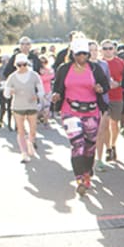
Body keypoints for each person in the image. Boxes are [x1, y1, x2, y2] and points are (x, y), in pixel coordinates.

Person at [52, 37, 110, 195]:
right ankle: (80, 179)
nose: (82, 57)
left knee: (90, 146)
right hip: (70, 111)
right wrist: (56, 95)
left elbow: (105, 85)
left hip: (91, 111)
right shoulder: (64, 69)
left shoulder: (95, 68)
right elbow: (57, 87)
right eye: (78, 54)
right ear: (72, 53)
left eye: (84, 53)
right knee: (77, 144)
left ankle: (87, 172)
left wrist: (100, 89)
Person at [3, 53, 44, 163]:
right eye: (19, 65)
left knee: (33, 130)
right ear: (15, 65)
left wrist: (37, 96)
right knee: (21, 131)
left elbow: (41, 91)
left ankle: (30, 143)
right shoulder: (12, 77)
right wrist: (10, 92)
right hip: (18, 106)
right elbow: (6, 94)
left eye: (24, 64)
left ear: (27, 64)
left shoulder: (34, 75)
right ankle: (24, 153)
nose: (22, 67)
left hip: (31, 106)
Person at [95, 39, 124, 169]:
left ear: (114, 50)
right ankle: (108, 149)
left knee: (115, 124)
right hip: (104, 98)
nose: (108, 51)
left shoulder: (120, 63)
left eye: (110, 48)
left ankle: (113, 145)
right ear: (101, 50)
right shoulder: (99, 64)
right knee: (105, 125)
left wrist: (118, 83)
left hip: (117, 96)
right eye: (105, 48)